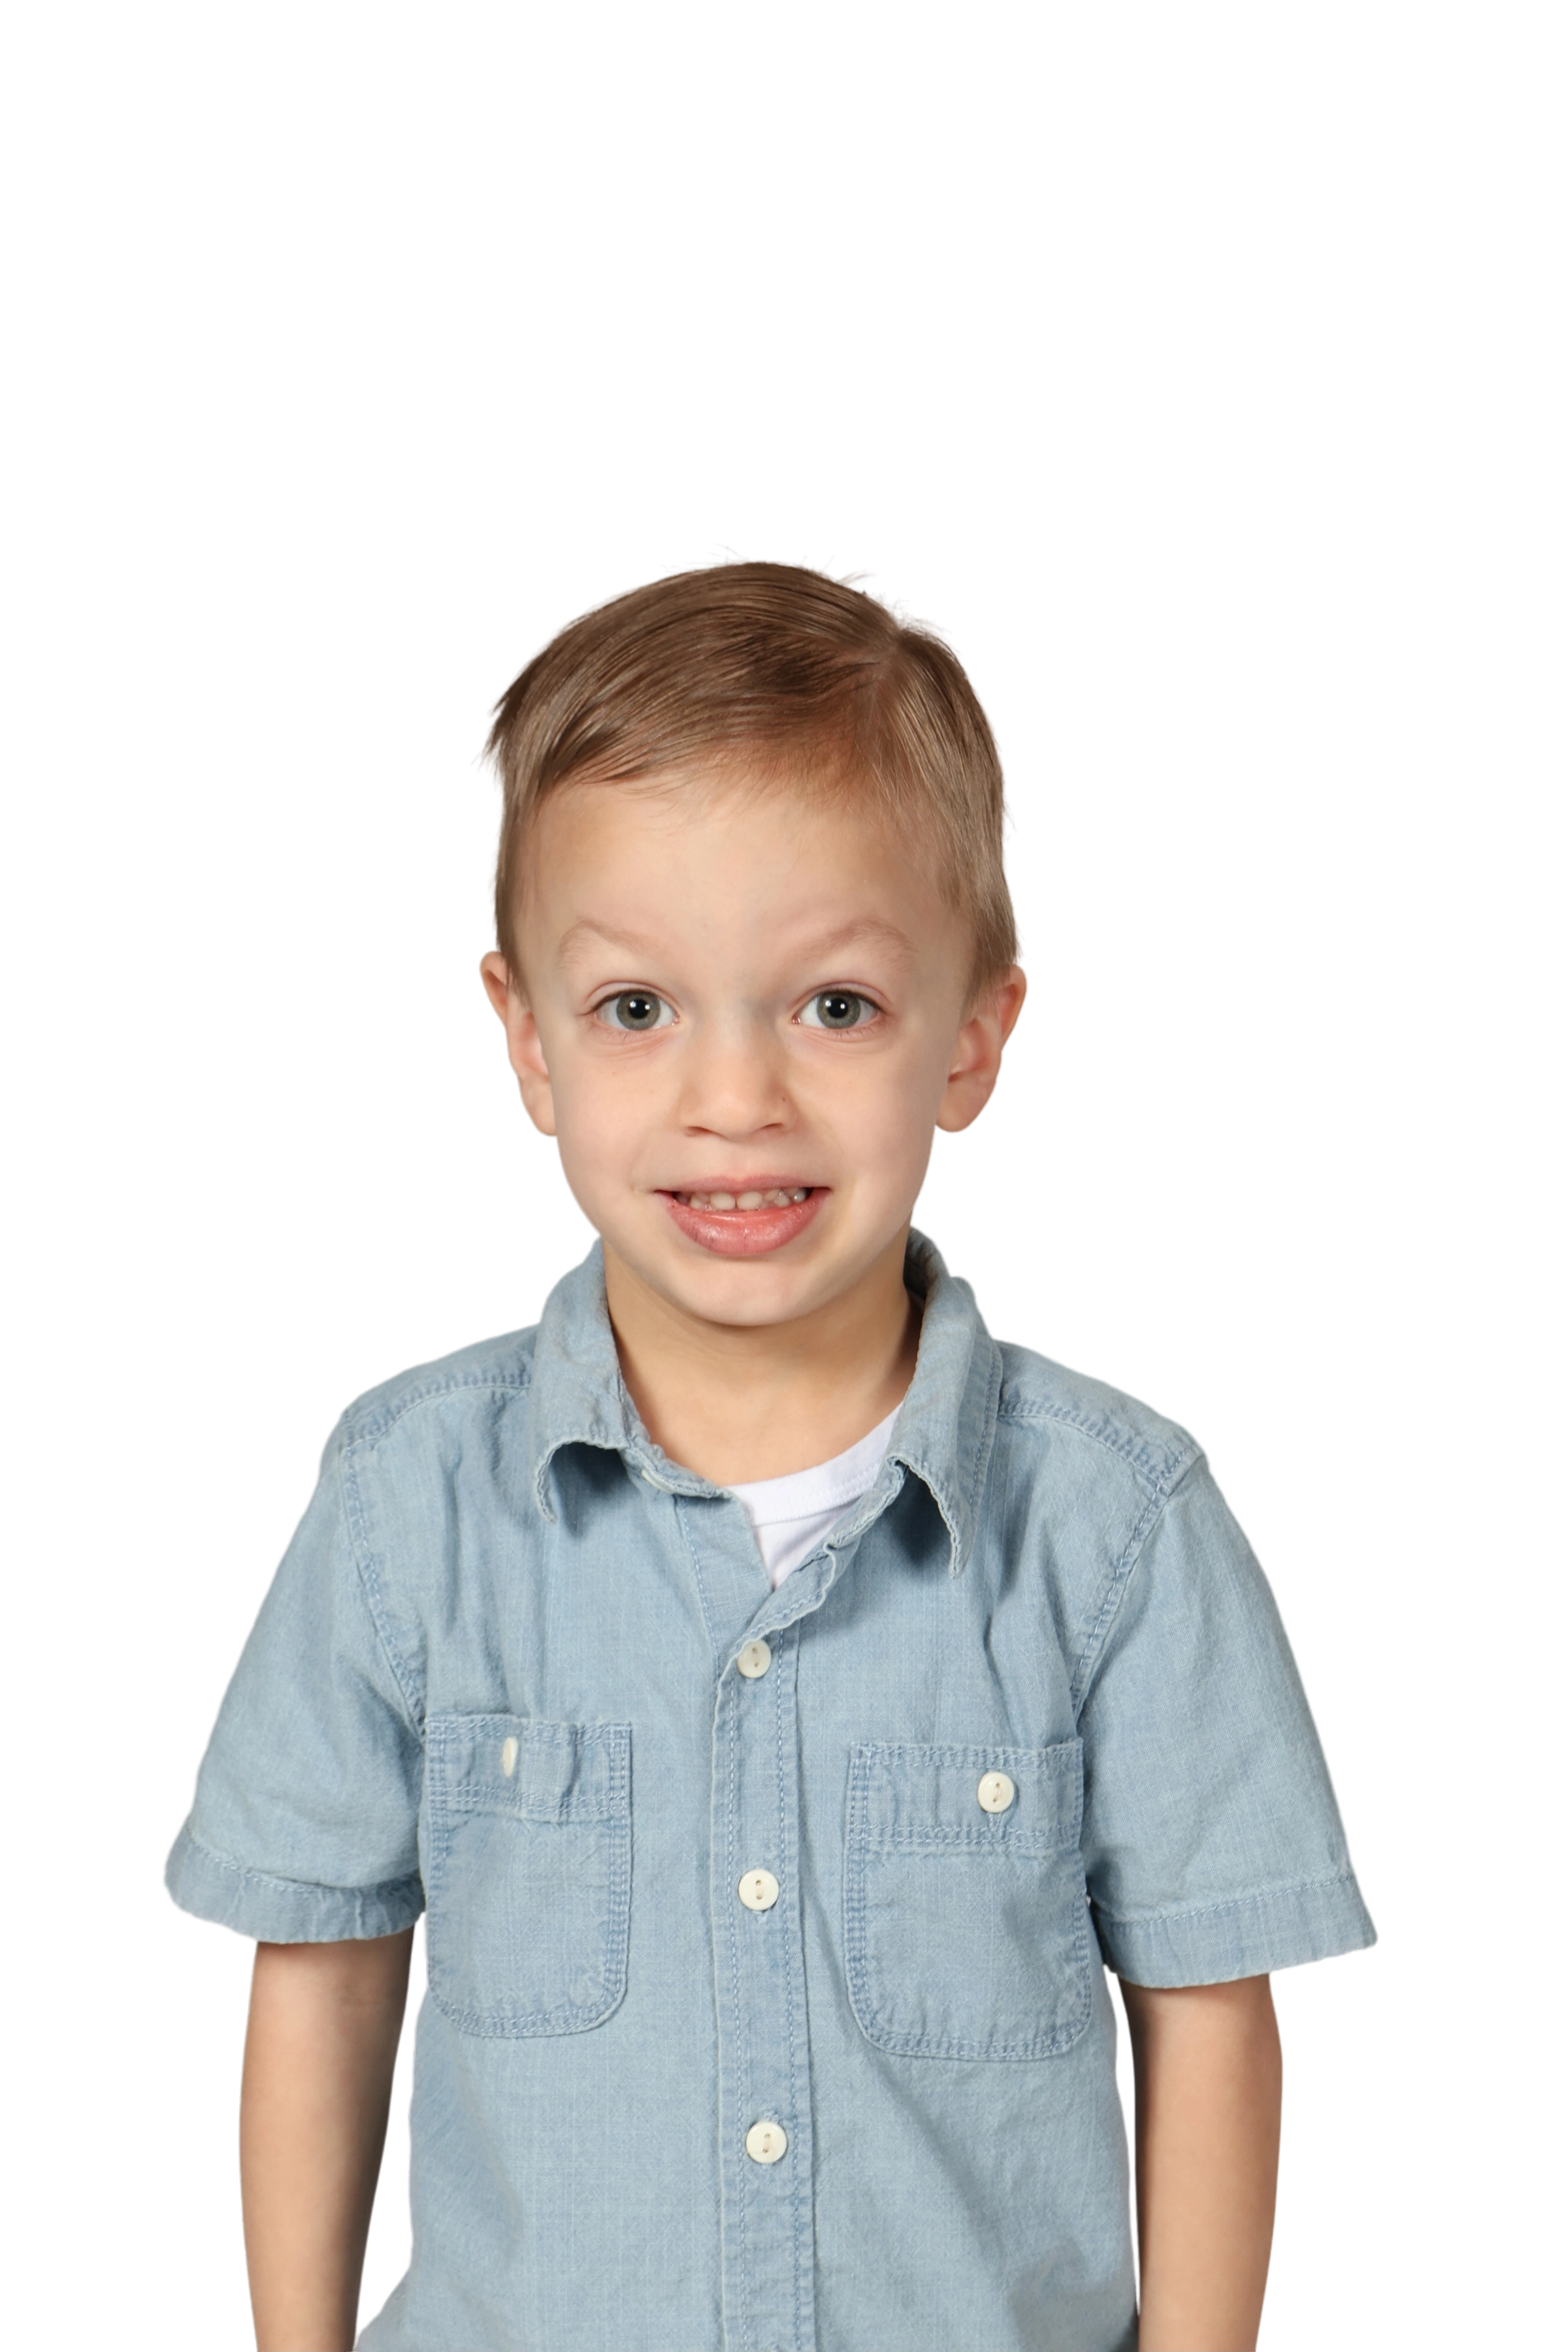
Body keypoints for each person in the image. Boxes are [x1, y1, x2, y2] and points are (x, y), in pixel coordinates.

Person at [159, 548, 1377, 2352]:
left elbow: (1208, 2011)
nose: (735, 1101)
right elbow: (323, 1975)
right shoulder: (405, 1503)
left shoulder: (1118, 1525)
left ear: (972, 1036)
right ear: (526, 1041)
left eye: (835, 1006)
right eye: (638, 1009)